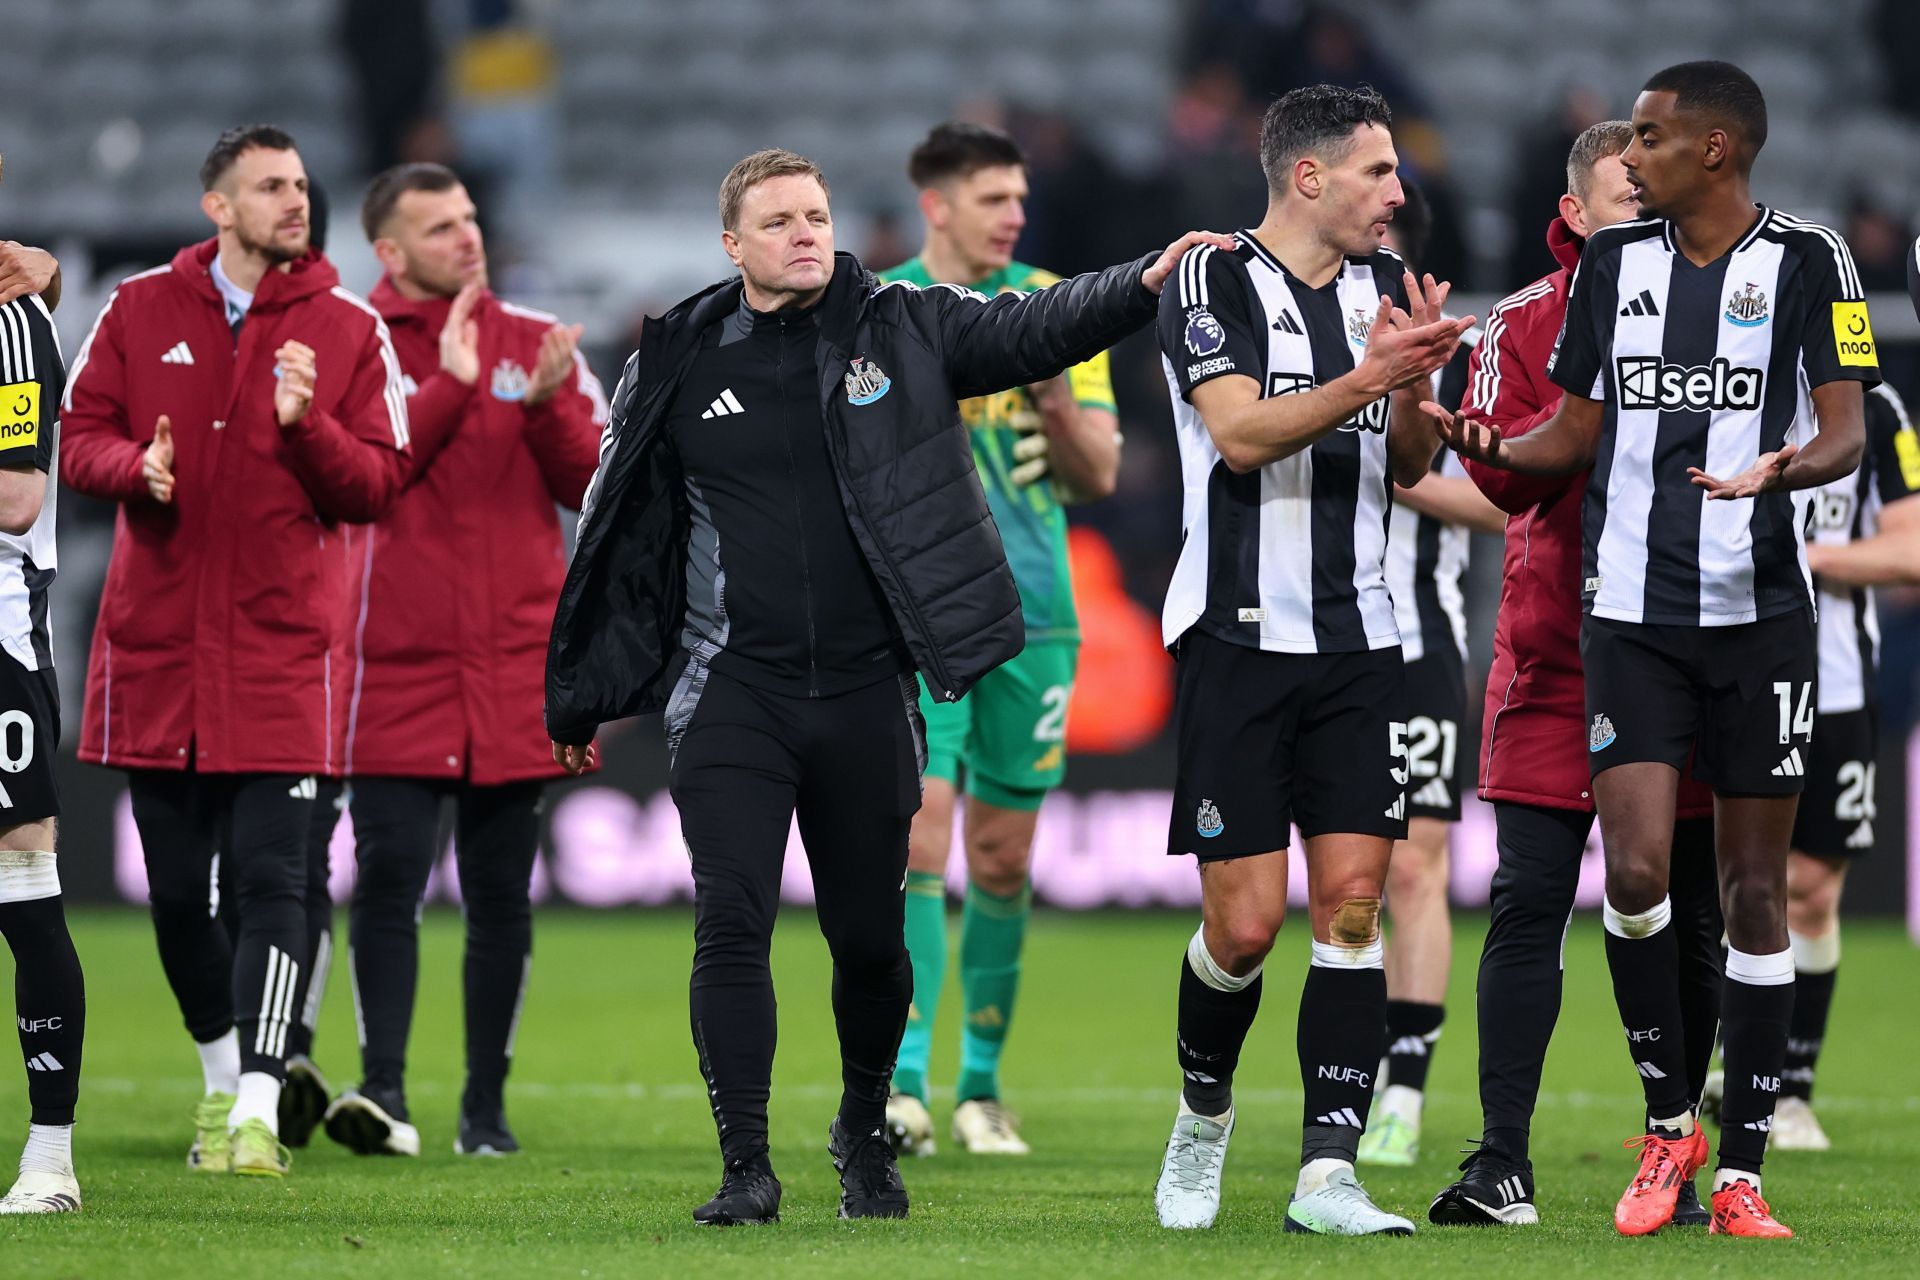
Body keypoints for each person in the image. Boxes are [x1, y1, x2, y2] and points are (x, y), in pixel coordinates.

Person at [544, 148, 1228, 1226]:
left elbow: (1032, 331)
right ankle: (744, 1164)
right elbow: (617, 531)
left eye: (816, 215)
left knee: (870, 936)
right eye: (780, 221)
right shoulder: (677, 355)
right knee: (730, 919)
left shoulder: (900, 325)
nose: (807, 233)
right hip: (733, 690)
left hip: (867, 688)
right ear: (734, 242)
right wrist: (583, 694)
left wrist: (1141, 278)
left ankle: (864, 1128)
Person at [1430, 62, 1874, 1240]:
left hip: (1762, 616)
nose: (1632, 154)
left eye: (1655, 136)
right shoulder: (1615, 270)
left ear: (1718, 150)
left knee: (1749, 891)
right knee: (1631, 878)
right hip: (1624, 615)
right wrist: (1482, 436)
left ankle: (1742, 1172)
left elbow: (1846, 427)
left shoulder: (1813, 260)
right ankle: (1670, 1122)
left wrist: (1786, 466)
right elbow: (1568, 430)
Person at [1148, 85, 1472, 1237]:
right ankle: (1202, 1111)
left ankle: (1328, 1174)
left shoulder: (1386, 295)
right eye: (1379, 171)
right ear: (1309, 177)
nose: (1399, 190)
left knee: (1350, 907)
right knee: (1242, 926)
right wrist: (1369, 381)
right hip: (1238, 635)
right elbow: (1238, 434)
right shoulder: (1212, 277)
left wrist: (1421, 382)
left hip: (1359, 639)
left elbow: (1411, 463)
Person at [61, 124, 410, 1180]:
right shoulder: (136, 308)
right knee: (176, 897)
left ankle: (257, 1098)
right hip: (158, 649)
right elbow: (75, 436)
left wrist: (306, 427)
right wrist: (135, 467)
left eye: (301, 185)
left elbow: (380, 482)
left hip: (278, 652)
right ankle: (223, 1074)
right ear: (218, 206)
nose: (294, 201)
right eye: (269, 186)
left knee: (270, 884)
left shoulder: (349, 329)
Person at [1424, 120, 1726, 1229]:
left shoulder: (1724, 316)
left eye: (1653, 194)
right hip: (1555, 658)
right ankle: (1503, 1158)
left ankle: (1675, 1149)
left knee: (1690, 910)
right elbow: (1503, 484)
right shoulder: (1524, 321)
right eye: (1622, 195)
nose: (1641, 209)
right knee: (1527, 901)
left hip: (1685, 649)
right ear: (1576, 214)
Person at [320, 162, 604, 1159]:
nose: (467, 236)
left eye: (470, 218)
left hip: (514, 665)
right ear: (389, 251)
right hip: (393, 664)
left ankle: (485, 1110)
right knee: (387, 877)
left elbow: (596, 494)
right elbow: (363, 477)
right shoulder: (348, 343)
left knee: (500, 894)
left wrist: (549, 402)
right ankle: (382, 1088)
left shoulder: (540, 341)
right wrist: (453, 378)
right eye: (439, 226)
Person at [875, 122, 1122, 1159]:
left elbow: (1098, 473)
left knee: (1004, 856)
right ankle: (903, 1085)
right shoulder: (879, 307)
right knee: (919, 836)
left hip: (1034, 610)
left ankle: (981, 1085)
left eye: (1019, 197)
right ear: (936, 203)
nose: (1014, 214)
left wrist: (1058, 396)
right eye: (993, 198)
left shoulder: (1056, 304)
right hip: (920, 613)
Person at [1709, 378, 1920, 1151]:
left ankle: (1790, 1089)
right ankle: (1713, 1062)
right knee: (1721, 878)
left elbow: (1912, 545)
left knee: (1812, 886)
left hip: (1834, 685)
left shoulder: (1878, 408)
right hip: (1726, 670)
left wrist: (1806, 554)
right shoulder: (1723, 376)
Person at [1359, 182, 1504, 1169]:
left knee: (1414, 865)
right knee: (1346, 878)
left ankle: (1402, 1089)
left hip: (1420, 638)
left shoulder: (1472, 355)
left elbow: (1507, 505)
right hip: (1310, 640)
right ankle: (1345, 1071)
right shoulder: (1304, 335)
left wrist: (1400, 460)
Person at [0, 165, 84, 1214]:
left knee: (22, 888)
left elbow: (18, 496)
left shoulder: (11, 321)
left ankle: (49, 1157)